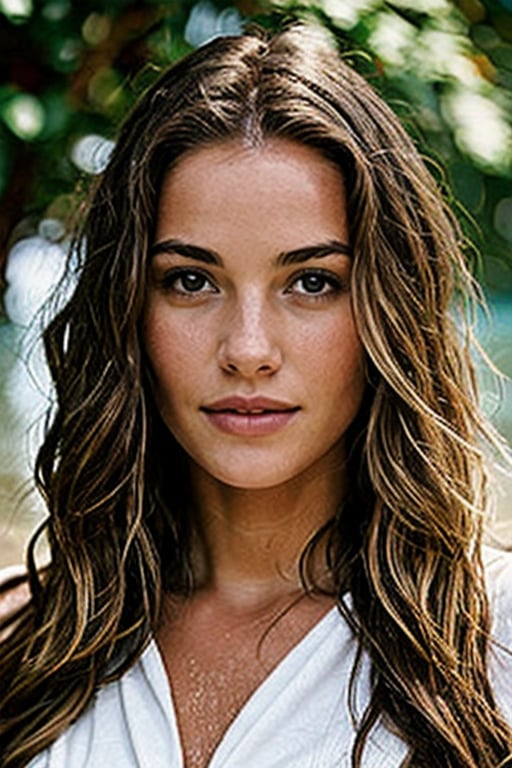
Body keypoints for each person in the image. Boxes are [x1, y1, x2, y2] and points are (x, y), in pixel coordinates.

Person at [1, 21, 511, 768]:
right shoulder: (29, 641)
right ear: (128, 310)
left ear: (387, 310)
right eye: (190, 280)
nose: (246, 350)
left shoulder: (490, 642)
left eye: (311, 283)